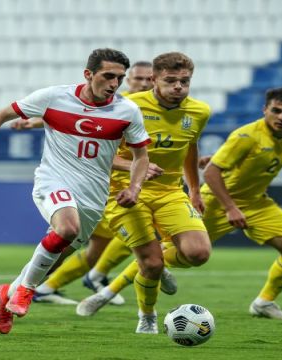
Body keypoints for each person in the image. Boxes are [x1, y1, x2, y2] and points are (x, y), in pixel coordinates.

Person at [81, 87, 282, 320]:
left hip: (257, 203)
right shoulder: (246, 135)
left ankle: (264, 303)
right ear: (265, 110)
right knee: (167, 254)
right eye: (276, 111)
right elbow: (213, 172)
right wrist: (229, 207)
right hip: (219, 201)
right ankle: (105, 293)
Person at [0, 48, 151, 334]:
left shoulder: (127, 111)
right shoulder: (54, 97)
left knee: (58, 253)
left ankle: (9, 292)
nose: (113, 83)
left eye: (119, 78)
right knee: (67, 229)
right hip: (53, 180)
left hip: (93, 195)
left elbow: (141, 157)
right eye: (108, 76)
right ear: (88, 74)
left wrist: (135, 187)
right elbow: (0, 115)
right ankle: (27, 291)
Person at [76, 52, 212, 334]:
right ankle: (147, 317)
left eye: (184, 81)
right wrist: (135, 166)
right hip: (123, 193)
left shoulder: (200, 111)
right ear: (153, 80)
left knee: (198, 253)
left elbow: (189, 148)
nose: (178, 87)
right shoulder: (127, 106)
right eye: (171, 80)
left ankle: (159, 265)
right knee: (149, 263)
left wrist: (195, 189)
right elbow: (95, 150)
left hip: (170, 193)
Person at [12, 61, 161, 306]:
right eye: (138, 79)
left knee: (93, 247)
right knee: (82, 243)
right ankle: (40, 286)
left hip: (126, 190)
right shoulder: (116, 106)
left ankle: (43, 286)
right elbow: (87, 141)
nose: (143, 84)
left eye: (148, 80)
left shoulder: (145, 110)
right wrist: (34, 121)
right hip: (102, 187)